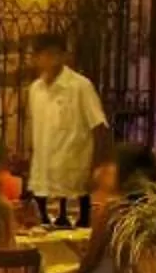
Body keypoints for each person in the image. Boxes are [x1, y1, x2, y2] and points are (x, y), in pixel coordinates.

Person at [55, 143, 156, 273]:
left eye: (113, 165)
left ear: (124, 171)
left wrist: (74, 259)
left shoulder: (112, 210)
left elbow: (89, 264)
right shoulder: (155, 211)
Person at [22, 33, 109, 228]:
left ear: (59, 55)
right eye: (37, 55)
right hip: (42, 180)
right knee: (43, 236)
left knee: (72, 240)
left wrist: (96, 169)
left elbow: (100, 128)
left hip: (73, 183)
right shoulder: (35, 89)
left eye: (47, 55)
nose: (40, 60)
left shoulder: (80, 86)